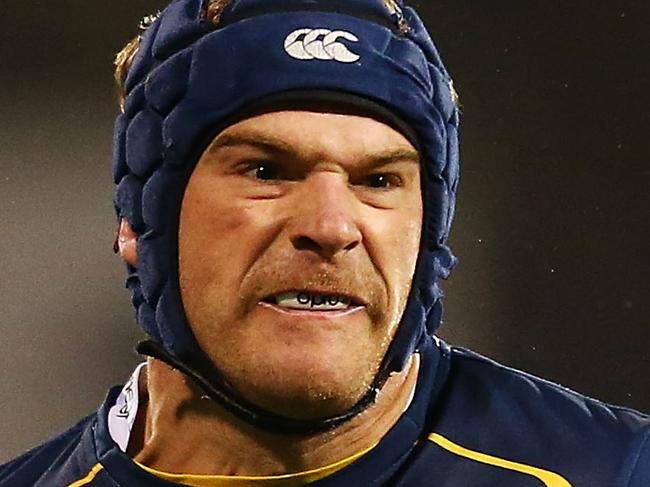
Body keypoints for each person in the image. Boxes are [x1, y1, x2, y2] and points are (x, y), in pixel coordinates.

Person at [1, 0, 648, 485]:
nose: (333, 226)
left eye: (379, 180)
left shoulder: (613, 469)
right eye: (265, 170)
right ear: (137, 222)